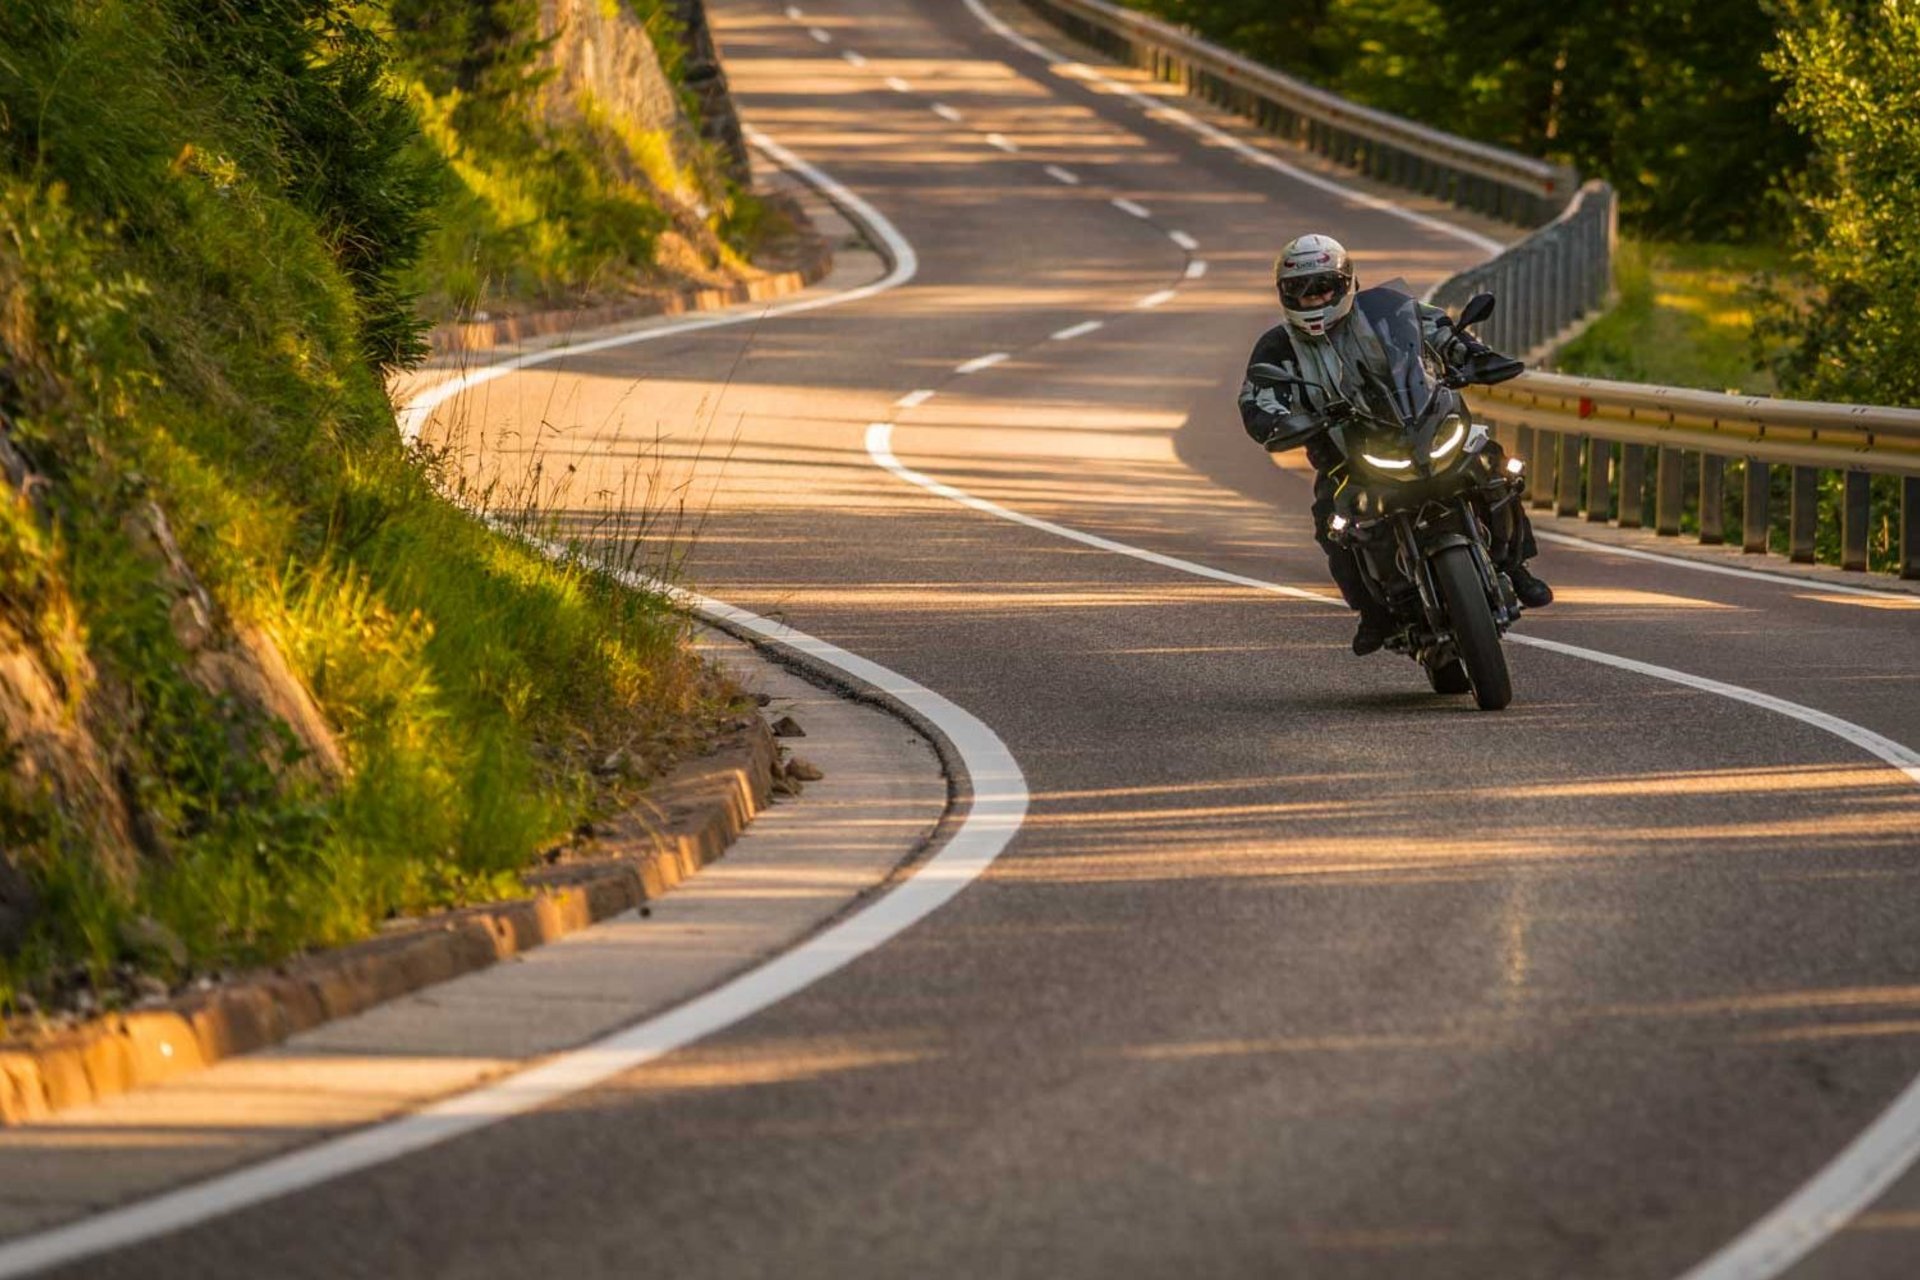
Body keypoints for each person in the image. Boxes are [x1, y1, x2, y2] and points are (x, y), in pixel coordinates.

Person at [1238, 233, 1552, 655]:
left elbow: (1441, 332)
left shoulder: (1389, 311)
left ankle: (1516, 565)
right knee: (1332, 521)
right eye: (1300, 290)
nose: (1313, 299)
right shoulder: (1277, 346)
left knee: (1495, 464)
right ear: (1284, 293)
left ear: (1348, 282)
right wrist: (1278, 422)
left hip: (1420, 419)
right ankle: (1374, 612)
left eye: (1323, 286)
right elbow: (1258, 397)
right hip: (1346, 452)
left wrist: (1473, 357)